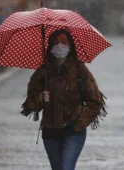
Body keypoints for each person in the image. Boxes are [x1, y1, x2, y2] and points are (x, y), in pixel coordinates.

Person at [21, 29, 107, 170]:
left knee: (66, 167)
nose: (59, 46)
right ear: (50, 47)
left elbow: (95, 101)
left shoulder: (79, 70)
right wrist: (41, 100)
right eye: (55, 43)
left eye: (64, 42)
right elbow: (30, 103)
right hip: (50, 132)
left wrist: (80, 122)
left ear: (71, 46)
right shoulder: (43, 72)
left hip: (73, 132)